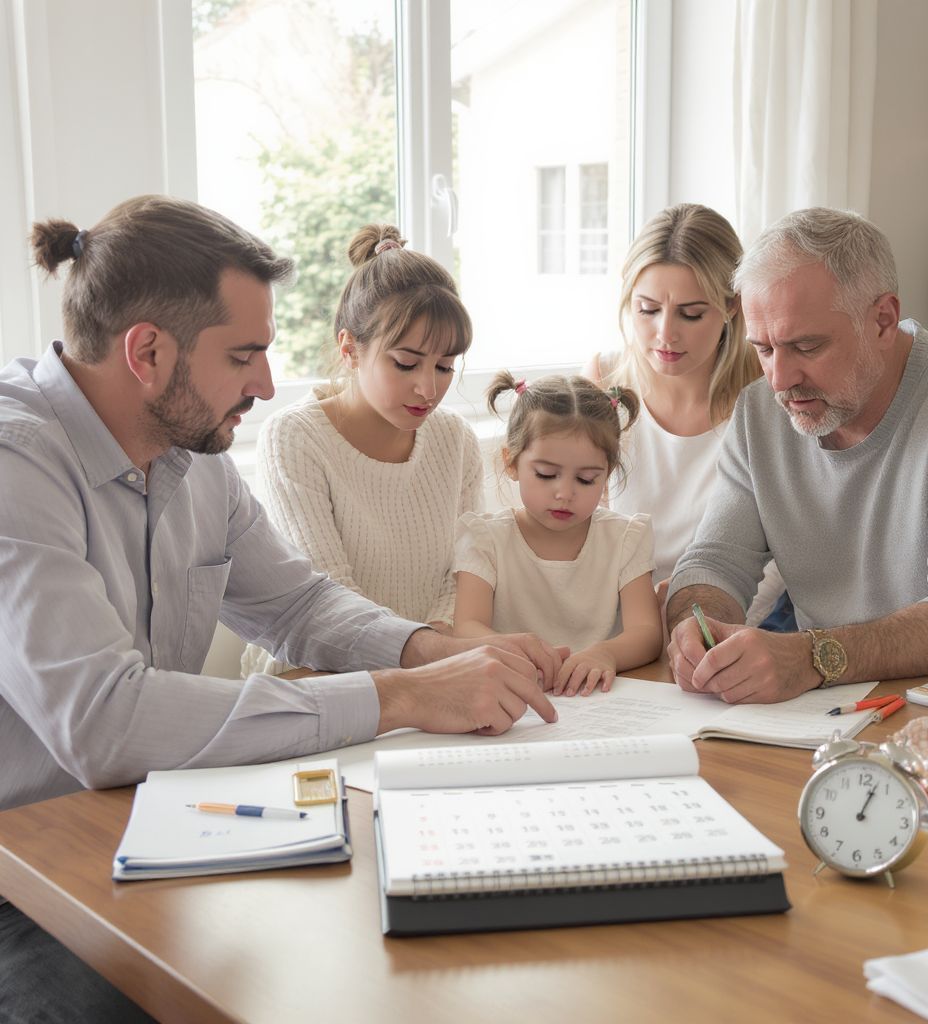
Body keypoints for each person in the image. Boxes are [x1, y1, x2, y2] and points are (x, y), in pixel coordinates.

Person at [0, 195, 561, 1021]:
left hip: (159, 826)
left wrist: (432, 651)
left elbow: (296, 604)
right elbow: (105, 721)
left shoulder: (195, 454)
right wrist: (402, 696)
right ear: (147, 352)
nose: (266, 385)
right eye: (245, 355)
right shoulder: (15, 462)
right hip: (24, 872)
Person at [666, 206, 928, 704]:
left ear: (883, 320)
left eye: (806, 346)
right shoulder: (759, 413)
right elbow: (714, 561)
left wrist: (812, 657)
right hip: (824, 712)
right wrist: (696, 627)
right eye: (764, 349)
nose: (779, 380)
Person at [241, 223, 482, 677]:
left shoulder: (455, 439)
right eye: (406, 364)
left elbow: (466, 573)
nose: (429, 388)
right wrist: (423, 662)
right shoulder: (294, 438)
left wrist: (435, 654)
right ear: (350, 349)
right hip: (318, 676)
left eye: (445, 367)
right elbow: (327, 602)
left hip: (435, 670)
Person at [582, 203, 784, 624]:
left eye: (691, 314)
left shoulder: (768, 394)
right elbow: (578, 532)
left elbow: (781, 557)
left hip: (729, 619)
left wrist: (699, 619)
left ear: (732, 306)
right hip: (615, 618)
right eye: (647, 309)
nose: (666, 334)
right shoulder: (602, 381)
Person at [453, 372, 663, 696]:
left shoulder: (625, 538)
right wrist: (517, 650)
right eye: (546, 474)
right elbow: (466, 628)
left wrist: (605, 653)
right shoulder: (485, 539)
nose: (564, 493)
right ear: (511, 462)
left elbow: (647, 633)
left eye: (586, 480)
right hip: (514, 696)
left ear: (607, 473)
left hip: (600, 699)